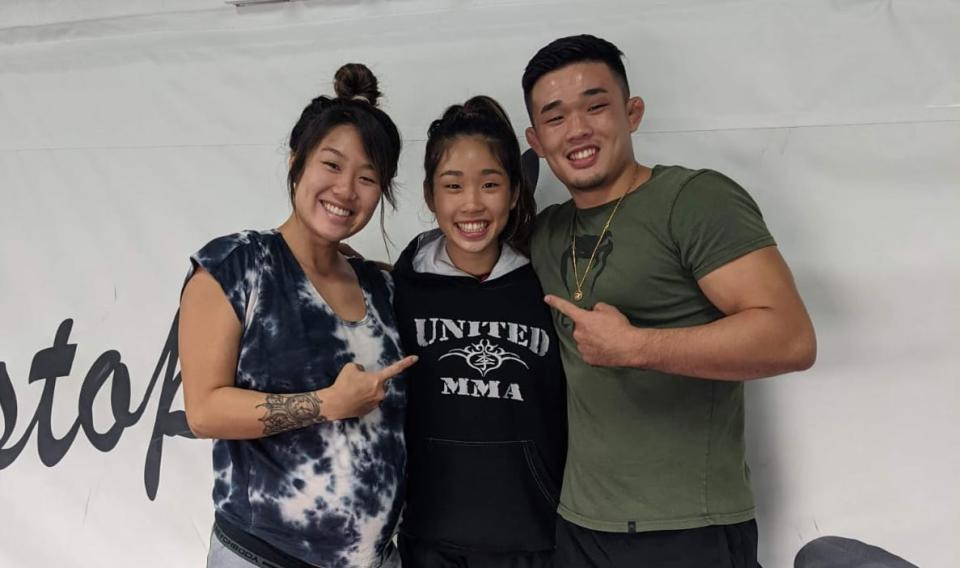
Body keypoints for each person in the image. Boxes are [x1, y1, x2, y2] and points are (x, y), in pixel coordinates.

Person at [521, 34, 817, 567]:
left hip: (688, 530)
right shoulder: (546, 232)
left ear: (632, 113)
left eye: (596, 106)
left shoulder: (694, 199)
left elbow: (791, 338)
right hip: (579, 526)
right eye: (556, 117)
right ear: (537, 141)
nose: (579, 129)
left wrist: (636, 347)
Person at [178, 63, 417, 568]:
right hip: (263, 555)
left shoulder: (383, 287)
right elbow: (204, 412)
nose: (346, 190)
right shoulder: (237, 264)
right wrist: (327, 403)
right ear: (296, 163)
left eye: (368, 177)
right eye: (331, 165)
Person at [391, 96, 567, 567]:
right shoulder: (399, 290)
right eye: (453, 186)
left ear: (513, 193)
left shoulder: (548, 284)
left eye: (490, 184)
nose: (472, 204)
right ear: (431, 196)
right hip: (429, 537)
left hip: (532, 535)